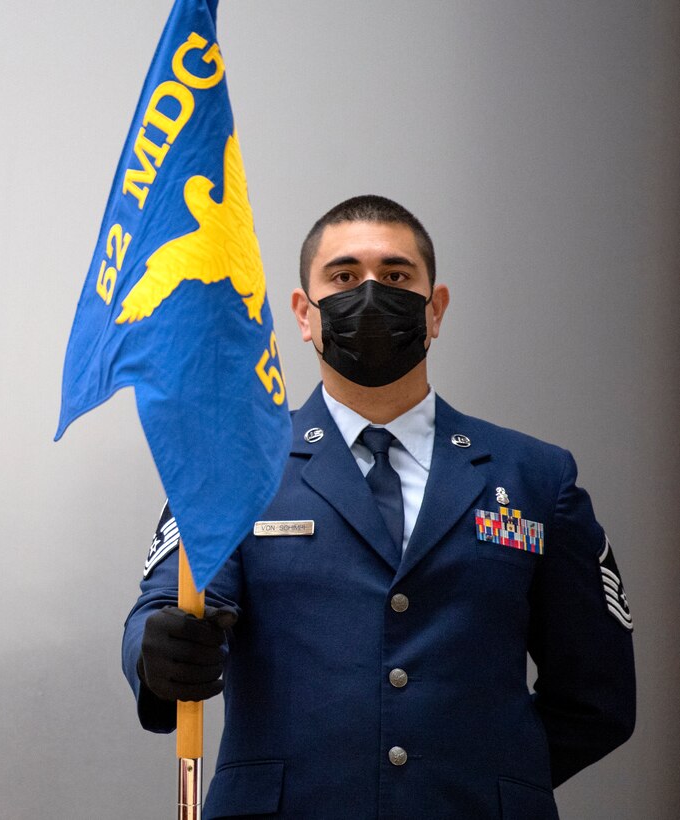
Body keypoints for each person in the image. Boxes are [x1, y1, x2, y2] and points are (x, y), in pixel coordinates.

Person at [121, 195, 636, 819]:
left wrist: (500, 781)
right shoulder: (235, 468)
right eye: (342, 277)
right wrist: (158, 649)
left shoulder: (534, 476)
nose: (369, 294)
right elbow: (161, 611)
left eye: (395, 276)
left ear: (435, 309)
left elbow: (596, 693)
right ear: (303, 315)